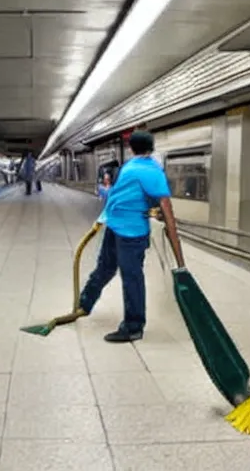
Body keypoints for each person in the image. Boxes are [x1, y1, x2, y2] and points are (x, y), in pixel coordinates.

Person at [78, 130, 185, 343]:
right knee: (105, 268)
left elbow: (167, 210)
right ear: (151, 148)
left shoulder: (151, 171)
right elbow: (128, 197)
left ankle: (134, 326)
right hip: (115, 227)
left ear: (131, 148)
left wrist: (180, 262)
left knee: (132, 277)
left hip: (132, 234)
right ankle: (84, 304)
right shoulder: (131, 167)